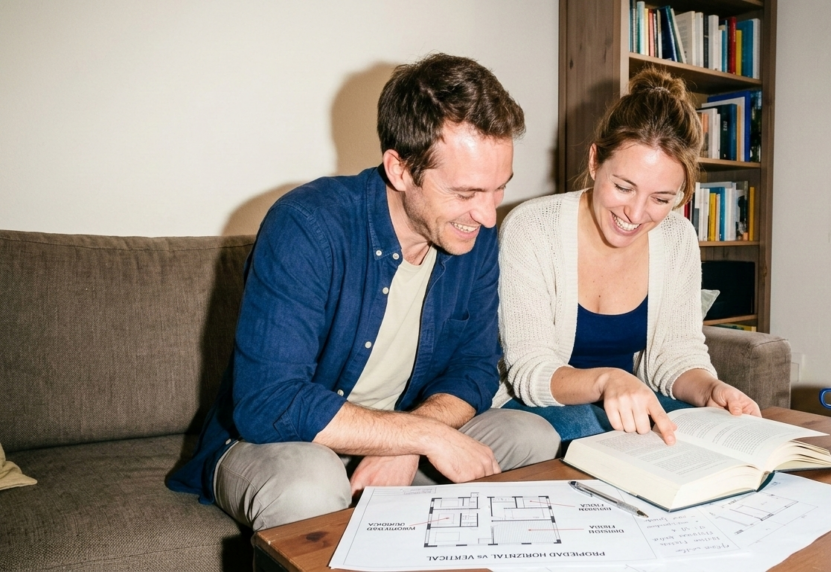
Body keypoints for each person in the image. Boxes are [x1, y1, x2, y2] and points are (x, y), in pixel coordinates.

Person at [168, 53, 559, 531]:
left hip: (403, 428)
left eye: (499, 188)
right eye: (465, 193)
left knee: (532, 436)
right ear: (400, 169)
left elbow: (474, 369)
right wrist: (418, 437)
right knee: (311, 484)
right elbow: (269, 401)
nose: (487, 215)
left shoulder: (473, 240)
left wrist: (410, 440)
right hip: (285, 443)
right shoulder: (306, 226)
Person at [495, 68, 760, 448]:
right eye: (623, 187)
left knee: (714, 442)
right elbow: (529, 371)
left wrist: (711, 390)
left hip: (627, 403)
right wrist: (608, 381)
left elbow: (676, 355)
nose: (635, 214)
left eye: (661, 199)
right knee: (596, 433)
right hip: (539, 403)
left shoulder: (678, 236)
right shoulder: (532, 227)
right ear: (594, 162)